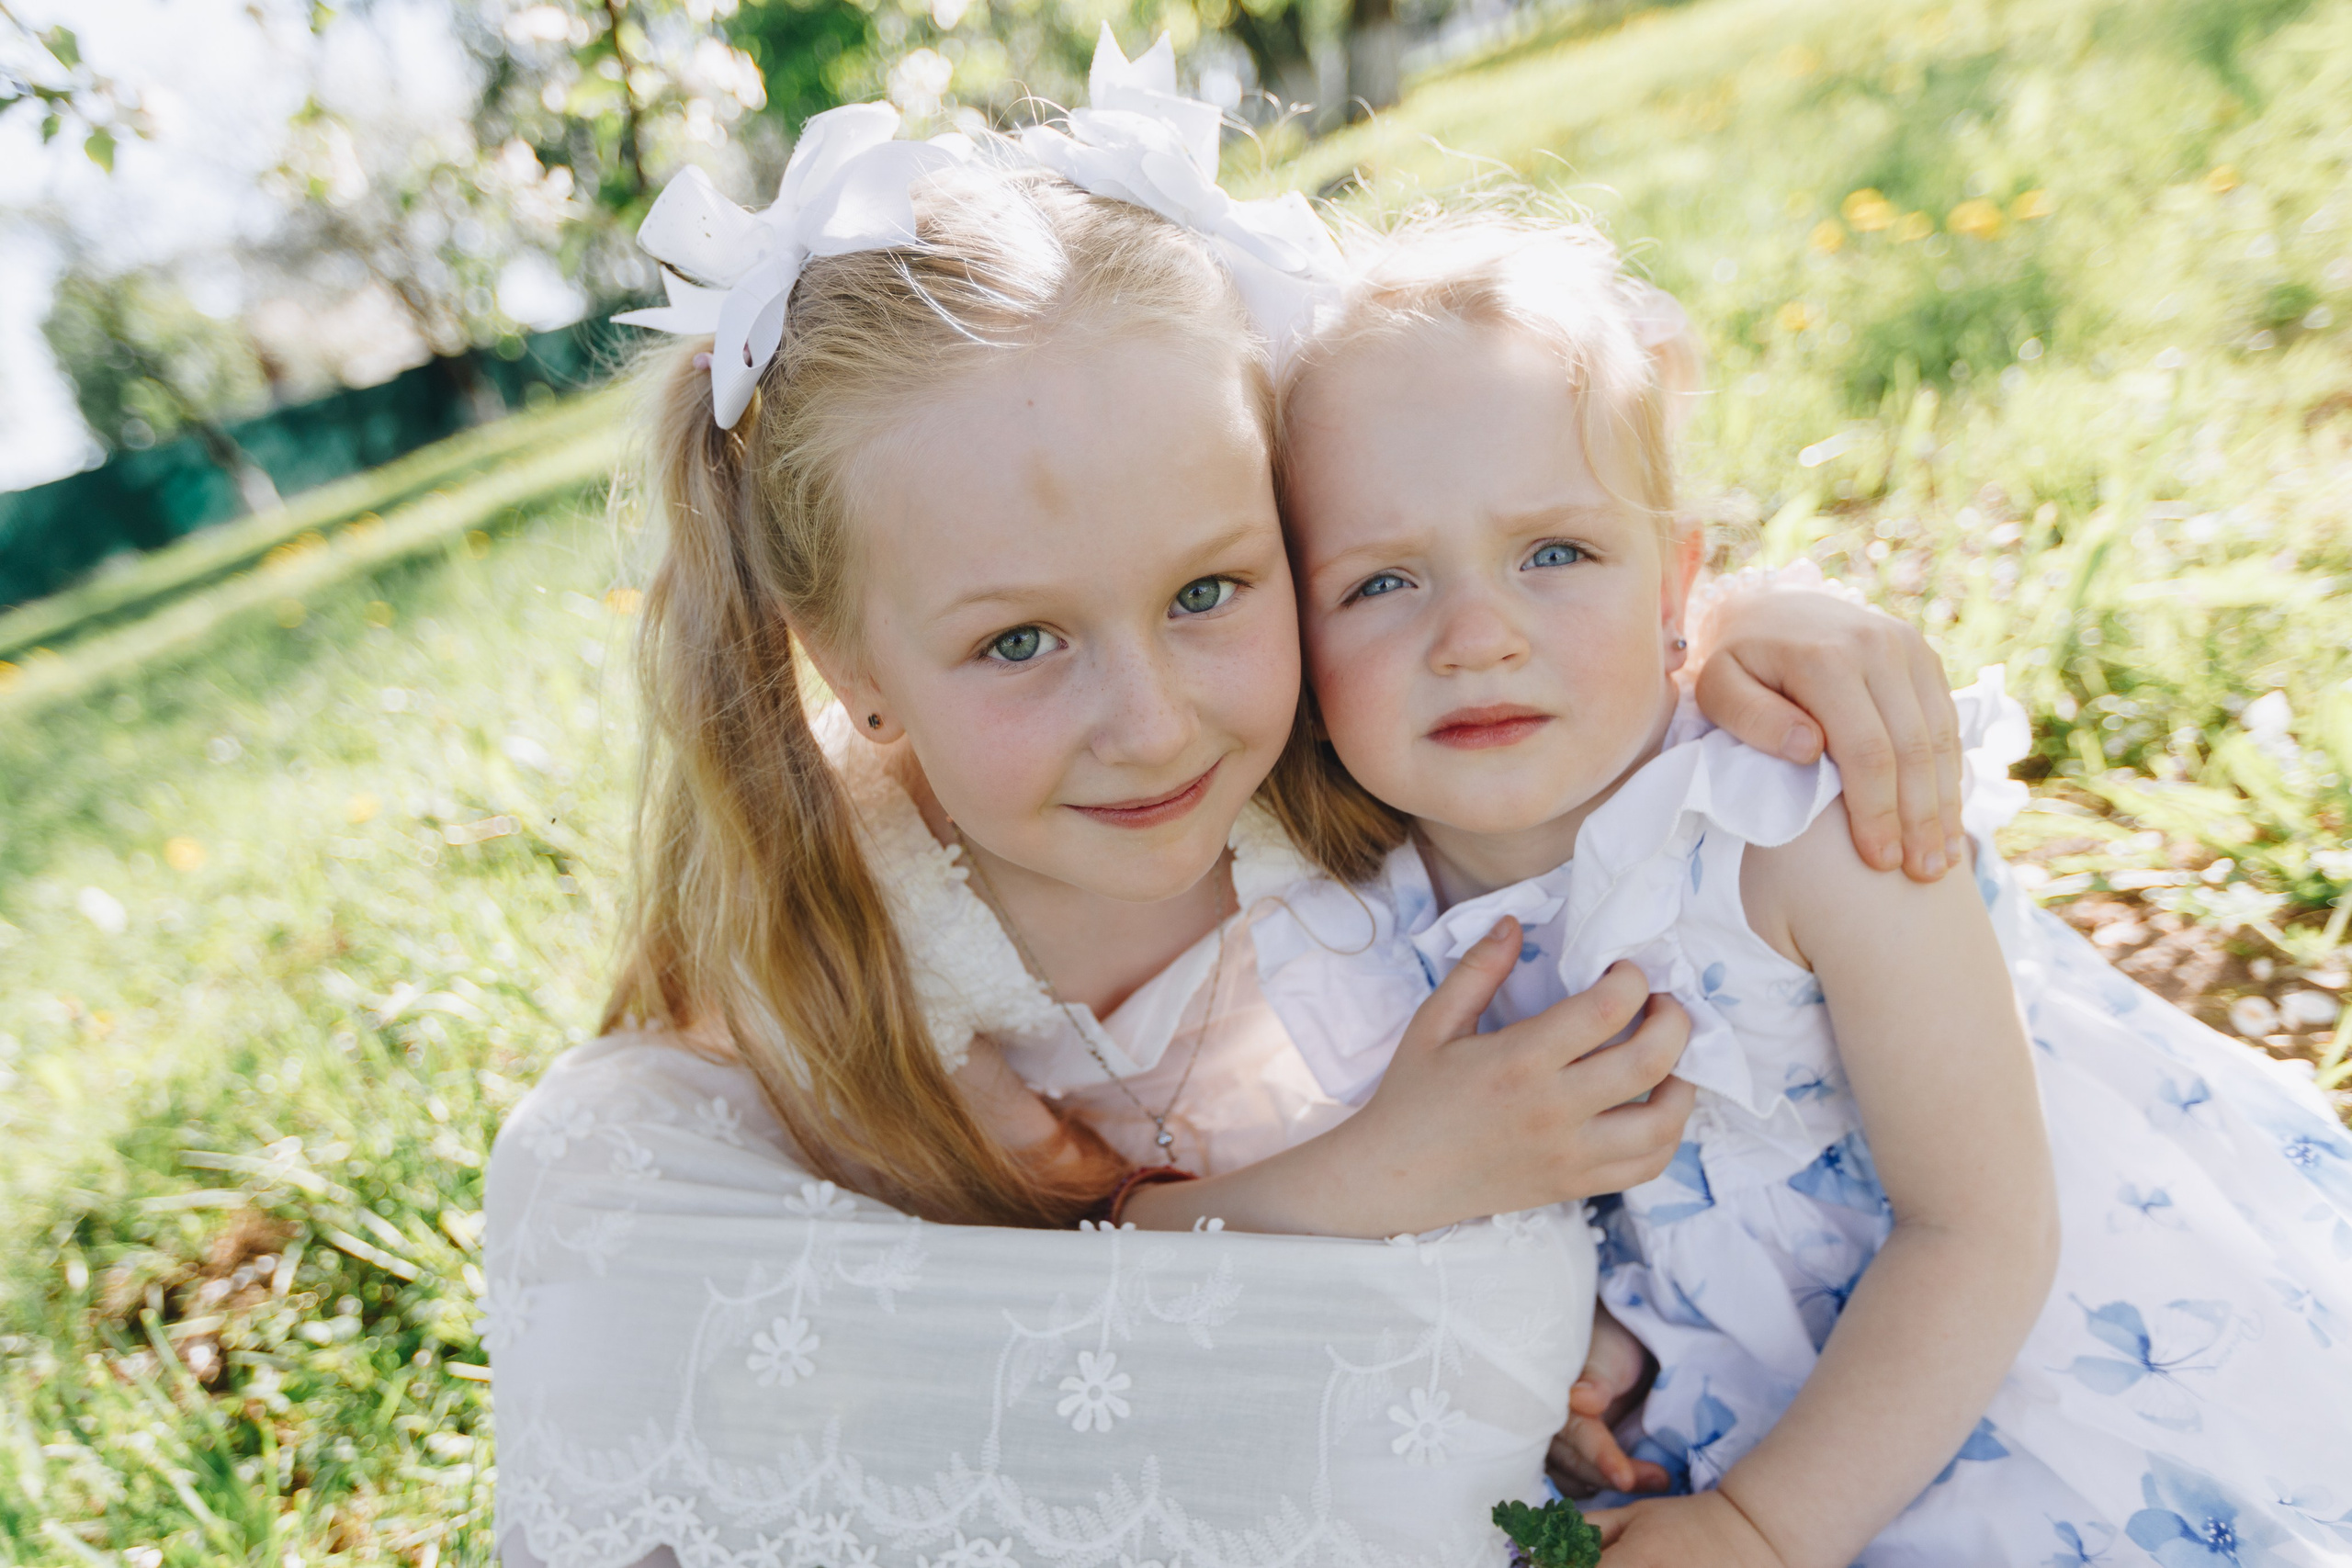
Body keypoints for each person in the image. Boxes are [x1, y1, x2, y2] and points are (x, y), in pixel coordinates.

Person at [485, 56, 1974, 1567]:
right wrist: (1376, 1184)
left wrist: (1747, 627)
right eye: (1019, 642)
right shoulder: (871, 963)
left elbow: (1550, 617)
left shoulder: (1371, 737)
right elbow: (1008, 1359)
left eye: (1211, 590)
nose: (1153, 724)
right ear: (850, 665)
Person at [1250, 207, 2352, 1567]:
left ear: (1680, 582)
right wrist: (1575, 1331)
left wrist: (1765, 1530)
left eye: (1555, 554)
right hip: (1756, 1406)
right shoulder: (1351, 909)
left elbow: (1983, 1227)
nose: (1476, 637)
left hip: (2010, 1364)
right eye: (1382, 581)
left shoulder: (1789, 821)